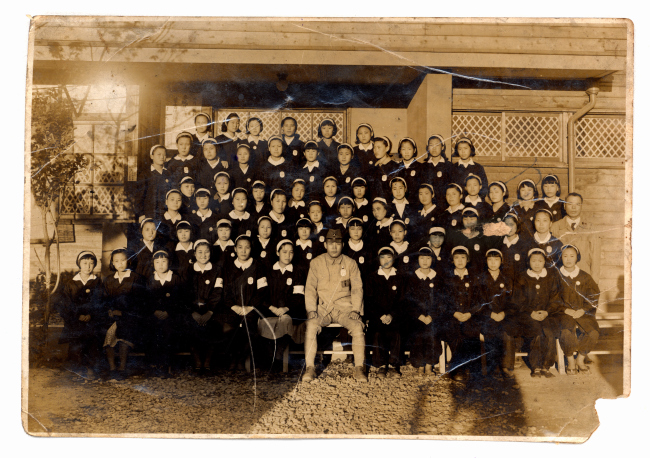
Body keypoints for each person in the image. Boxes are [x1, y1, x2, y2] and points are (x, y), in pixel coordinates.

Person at [302, 229, 367, 382]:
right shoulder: (316, 263)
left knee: (357, 327)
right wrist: (311, 309)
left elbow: (357, 289)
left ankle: (359, 368)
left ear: (342, 245)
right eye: (331, 244)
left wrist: (356, 310)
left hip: (345, 308)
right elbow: (310, 288)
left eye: (337, 243)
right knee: (311, 325)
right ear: (325, 245)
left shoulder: (350, 263)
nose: (334, 247)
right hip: (323, 309)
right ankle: (310, 368)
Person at [510, 248, 563, 378]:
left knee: (549, 331)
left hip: (547, 314)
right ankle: (536, 366)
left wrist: (546, 312)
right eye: (534, 261)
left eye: (540, 260)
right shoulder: (522, 277)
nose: (537, 263)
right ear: (529, 262)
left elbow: (556, 299)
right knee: (537, 331)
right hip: (527, 315)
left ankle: (546, 366)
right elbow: (517, 301)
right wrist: (531, 313)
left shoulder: (551, 276)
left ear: (545, 262)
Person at [220, 234, 269, 371]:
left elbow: (262, 291)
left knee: (249, 326)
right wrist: (233, 306)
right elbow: (225, 291)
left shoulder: (258, 267)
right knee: (228, 327)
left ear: (251, 249)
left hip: (251, 309)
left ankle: (242, 360)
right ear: (235, 249)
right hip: (233, 309)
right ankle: (233, 360)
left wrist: (250, 307)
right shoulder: (228, 268)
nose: (243, 251)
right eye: (240, 247)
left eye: (247, 247)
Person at [53, 251, 104, 380]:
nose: (88, 266)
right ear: (79, 264)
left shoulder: (97, 282)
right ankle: (77, 369)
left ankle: (90, 369)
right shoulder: (71, 283)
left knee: (92, 343)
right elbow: (66, 304)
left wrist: (91, 315)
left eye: (91, 264)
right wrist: (77, 316)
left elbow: (100, 301)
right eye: (85, 263)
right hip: (75, 321)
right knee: (76, 344)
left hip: (92, 320)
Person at [259, 239, 307, 371]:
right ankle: (270, 358)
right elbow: (261, 294)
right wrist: (272, 308)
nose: (288, 255)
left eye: (291, 252)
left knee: (286, 321)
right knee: (265, 323)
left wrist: (285, 308)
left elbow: (298, 296)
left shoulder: (297, 271)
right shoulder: (268, 270)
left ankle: (278, 357)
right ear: (277, 252)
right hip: (270, 309)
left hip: (290, 310)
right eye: (284, 252)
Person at [556, 244, 600, 375]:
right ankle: (570, 360)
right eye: (565, 256)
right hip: (563, 313)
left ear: (577, 258)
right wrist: (564, 309)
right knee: (566, 331)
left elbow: (593, 296)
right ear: (560, 258)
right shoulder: (556, 276)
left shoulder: (585, 277)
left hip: (583, 312)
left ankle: (580, 359)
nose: (568, 259)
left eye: (572, 256)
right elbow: (551, 297)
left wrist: (583, 310)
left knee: (593, 332)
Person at [440, 246, 482, 381]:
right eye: (456, 258)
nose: (460, 261)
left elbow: (479, 301)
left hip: (470, 317)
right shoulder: (447, 279)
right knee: (455, 332)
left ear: (467, 259)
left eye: (463, 257)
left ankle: (470, 369)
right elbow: (443, 301)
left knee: (471, 333)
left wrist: (470, 313)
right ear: (452, 260)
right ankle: (457, 369)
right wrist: (454, 313)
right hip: (453, 317)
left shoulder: (474, 278)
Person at [102, 248, 145, 379]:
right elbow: (104, 298)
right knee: (109, 334)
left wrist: (123, 312)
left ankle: (122, 368)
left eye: (123, 260)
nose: (120, 263)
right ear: (112, 263)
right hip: (112, 316)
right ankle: (112, 367)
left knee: (124, 334)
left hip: (131, 316)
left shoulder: (136, 278)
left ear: (129, 261)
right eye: (116, 261)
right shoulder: (109, 279)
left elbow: (140, 301)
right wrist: (109, 310)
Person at [365, 246, 406, 378]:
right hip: (378, 317)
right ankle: (381, 365)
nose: (386, 260)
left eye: (389, 257)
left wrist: (392, 315)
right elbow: (369, 301)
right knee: (377, 332)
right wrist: (381, 315)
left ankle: (394, 365)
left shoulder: (400, 277)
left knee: (397, 332)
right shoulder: (372, 277)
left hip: (394, 317)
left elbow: (403, 301)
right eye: (383, 257)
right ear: (378, 259)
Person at [185, 239, 223, 374]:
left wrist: (210, 312)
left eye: (206, 252)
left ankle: (207, 361)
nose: (203, 255)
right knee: (190, 326)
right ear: (194, 253)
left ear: (210, 253)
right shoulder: (188, 270)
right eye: (200, 252)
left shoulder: (217, 270)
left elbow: (217, 293)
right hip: (193, 311)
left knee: (213, 327)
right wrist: (193, 312)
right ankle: (197, 361)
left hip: (211, 311)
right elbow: (185, 293)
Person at [404, 247, 444, 376]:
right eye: (422, 258)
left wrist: (432, 316)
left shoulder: (437, 278)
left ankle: (429, 365)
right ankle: (419, 364)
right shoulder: (412, 278)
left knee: (432, 333)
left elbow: (441, 301)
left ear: (432, 260)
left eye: (428, 258)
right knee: (418, 334)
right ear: (417, 260)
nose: (425, 261)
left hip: (433, 318)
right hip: (417, 318)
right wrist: (419, 316)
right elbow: (408, 301)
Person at [476, 248, 515, 378]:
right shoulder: (480, 279)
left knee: (508, 332)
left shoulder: (507, 279)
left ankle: (506, 366)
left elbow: (511, 301)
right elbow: (478, 301)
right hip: (487, 315)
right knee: (489, 332)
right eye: (490, 260)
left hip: (503, 315)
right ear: (486, 261)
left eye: (496, 260)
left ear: (501, 261)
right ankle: (492, 368)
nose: (493, 263)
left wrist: (504, 313)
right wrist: (490, 314)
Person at [145, 249, 183, 377]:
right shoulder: (150, 279)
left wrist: (168, 312)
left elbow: (179, 300)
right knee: (152, 331)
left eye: (164, 261)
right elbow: (146, 299)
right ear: (153, 264)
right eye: (157, 262)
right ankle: (154, 365)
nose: (160, 265)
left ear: (169, 263)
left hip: (170, 316)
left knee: (168, 332)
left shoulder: (175, 278)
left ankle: (167, 366)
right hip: (154, 315)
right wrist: (154, 311)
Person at [550, 192, 601, 282]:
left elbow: (595, 258)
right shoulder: (555, 227)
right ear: (565, 206)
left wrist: (594, 283)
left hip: (584, 278)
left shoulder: (591, 229)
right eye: (570, 204)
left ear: (581, 206)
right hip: (562, 279)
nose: (574, 208)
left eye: (577, 204)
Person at [134, 144, 171, 223]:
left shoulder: (168, 174)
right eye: (159, 154)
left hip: (165, 214)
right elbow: (139, 197)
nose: (162, 157)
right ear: (152, 156)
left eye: (164, 155)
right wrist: (141, 214)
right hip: (149, 213)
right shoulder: (145, 174)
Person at [423, 134, 452, 208]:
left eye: (437, 145)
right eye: (431, 145)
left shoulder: (449, 166)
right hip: (427, 206)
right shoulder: (423, 166)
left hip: (444, 205)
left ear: (442, 147)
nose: (434, 148)